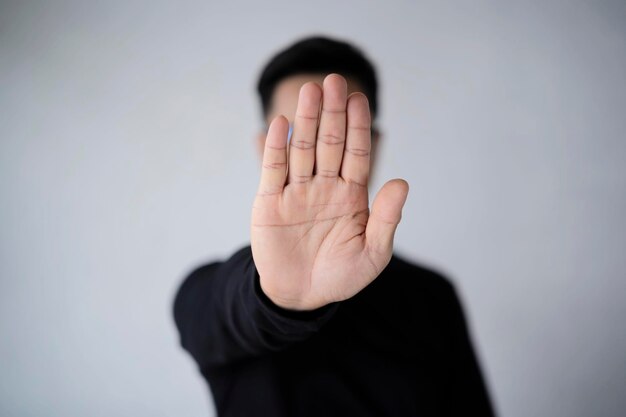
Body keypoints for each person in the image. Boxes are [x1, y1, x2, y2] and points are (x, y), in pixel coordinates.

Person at [173, 36, 495, 417]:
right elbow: (221, 316)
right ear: (265, 148)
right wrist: (279, 299)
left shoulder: (431, 296)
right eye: (299, 134)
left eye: (341, 132)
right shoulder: (213, 294)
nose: (320, 149)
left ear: (371, 143)